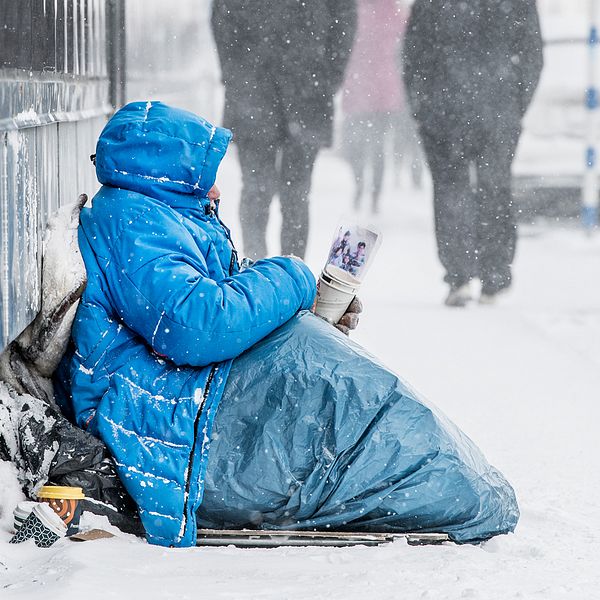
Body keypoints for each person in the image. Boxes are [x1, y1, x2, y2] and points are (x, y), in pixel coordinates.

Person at [54, 102, 519, 548]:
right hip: (162, 404)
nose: (215, 191)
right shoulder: (134, 222)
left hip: (183, 389)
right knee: (337, 398)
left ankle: (439, 483)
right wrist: (293, 275)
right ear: (165, 174)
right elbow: (195, 327)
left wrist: (304, 310)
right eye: (204, 178)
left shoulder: (158, 215)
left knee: (338, 388)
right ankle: (443, 490)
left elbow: (215, 294)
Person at [402, 0, 543, 306]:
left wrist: (421, 103)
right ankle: (493, 274)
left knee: (451, 189)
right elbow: (532, 53)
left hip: (444, 106)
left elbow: (413, 53)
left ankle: (459, 274)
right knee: (495, 188)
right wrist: (516, 103)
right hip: (497, 106)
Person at [211, 0, 357, 260]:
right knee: (274, 191)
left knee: (284, 192)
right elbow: (222, 18)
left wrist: (329, 77)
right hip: (274, 88)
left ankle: (280, 269)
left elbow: (344, 20)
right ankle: (264, 266)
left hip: (282, 89)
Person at [340, 0, 408, 212]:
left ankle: (365, 187)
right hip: (380, 89)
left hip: (363, 86)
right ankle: (371, 192)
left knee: (361, 145)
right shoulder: (392, 11)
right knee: (376, 146)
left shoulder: (354, 8)